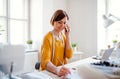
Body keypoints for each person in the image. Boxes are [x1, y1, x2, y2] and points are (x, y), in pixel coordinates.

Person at [39, 9, 73, 77]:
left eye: (64, 23)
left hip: (59, 73)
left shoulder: (63, 36)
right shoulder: (47, 37)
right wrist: (56, 70)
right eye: (60, 22)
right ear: (53, 21)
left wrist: (67, 36)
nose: (62, 25)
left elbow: (69, 55)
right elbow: (45, 61)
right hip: (49, 73)